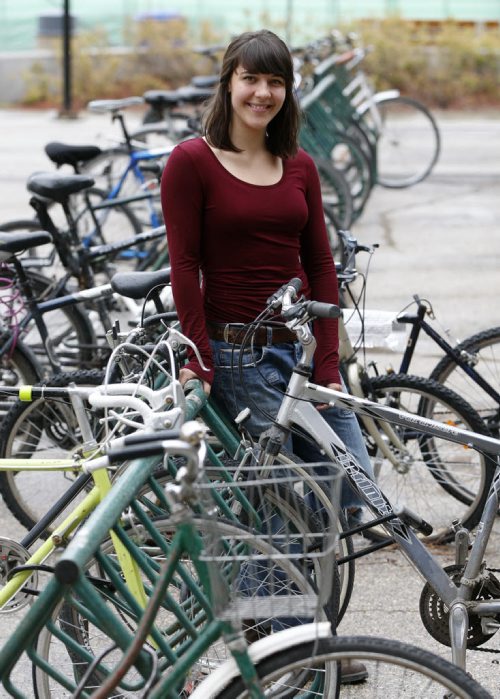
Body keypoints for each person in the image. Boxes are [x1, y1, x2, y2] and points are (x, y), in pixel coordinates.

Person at [161, 28, 373, 684]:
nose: (262, 92)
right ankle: (294, 644)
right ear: (229, 82)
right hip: (239, 355)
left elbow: (319, 263)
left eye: (275, 81)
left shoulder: (300, 165)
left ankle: (272, 620)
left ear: (287, 91)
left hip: (301, 358)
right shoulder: (191, 162)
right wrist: (201, 356)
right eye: (251, 79)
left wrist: (330, 360)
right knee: (275, 501)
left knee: (351, 488)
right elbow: (185, 265)